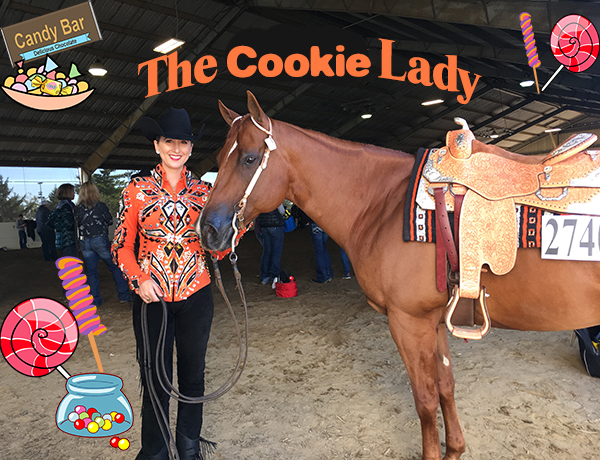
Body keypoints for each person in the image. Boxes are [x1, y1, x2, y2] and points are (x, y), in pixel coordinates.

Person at [112, 108, 221, 460]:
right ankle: (156, 450)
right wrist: (139, 280)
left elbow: (216, 251)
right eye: (169, 141)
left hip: (196, 294)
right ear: (157, 145)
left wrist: (236, 229)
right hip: (151, 299)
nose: (177, 148)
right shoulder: (136, 190)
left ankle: (189, 447)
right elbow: (120, 246)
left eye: (184, 142)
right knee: (155, 379)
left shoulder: (206, 192)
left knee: (193, 376)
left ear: (191, 148)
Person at [75, 182, 130, 306]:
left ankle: (95, 300)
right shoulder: (100, 206)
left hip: (85, 241)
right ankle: (124, 295)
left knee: (91, 271)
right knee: (114, 267)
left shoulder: (77, 208)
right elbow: (110, 221)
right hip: (100, 239)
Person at [255, 204, 285, 288]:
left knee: (267, 251)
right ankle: (275, 277)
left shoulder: (260, 198)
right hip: (276, 225)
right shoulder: (276, 198)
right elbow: (282, 211)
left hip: (264, 226)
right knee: (276, 252)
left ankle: (264, 277)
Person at [47, 183, 77, 257]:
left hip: (64, 238)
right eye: (72, 191)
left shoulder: (62, 205)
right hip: (68, 239)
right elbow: (68, 223)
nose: (74, 193)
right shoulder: (67, 206)